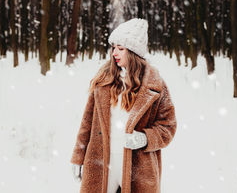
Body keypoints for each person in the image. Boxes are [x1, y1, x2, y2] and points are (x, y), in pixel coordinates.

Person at [70, 18, 177, 193]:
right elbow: (87, 123)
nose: (114, 53)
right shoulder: (103, 81)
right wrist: (78, 156)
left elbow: (168, 126)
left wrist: (145, 138)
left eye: (121, 49)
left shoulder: (155, 85)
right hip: (101, 163)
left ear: (134, 53)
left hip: (139, 169)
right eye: (113, 48)